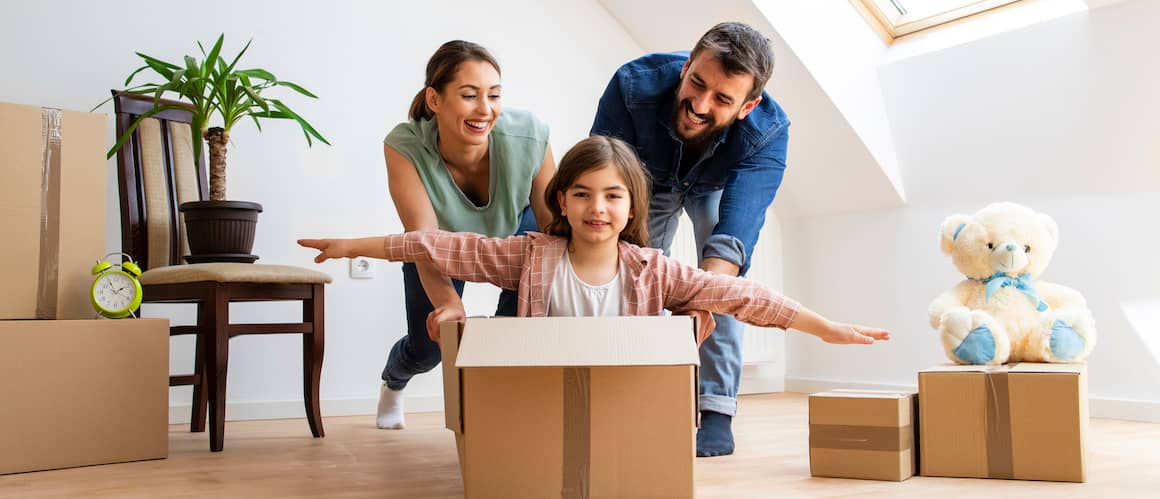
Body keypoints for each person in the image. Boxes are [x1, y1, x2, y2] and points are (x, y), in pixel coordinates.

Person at [299, 135, 888, 392]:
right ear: (560, 201)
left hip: (619, 396)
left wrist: (825, 327)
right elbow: (437, 246)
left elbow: (744, 297)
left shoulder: (653, 269)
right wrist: (353, 246)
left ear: (632, 204)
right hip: (538, 391)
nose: (596, 208)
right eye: (581, 193)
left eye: (611, 195)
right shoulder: (530, 256)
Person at [590, 21, 788, 456]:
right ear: (686, 67)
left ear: (748, 105)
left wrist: (701, 301)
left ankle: (717, 410)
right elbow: (602, 177)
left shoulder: (768, 134)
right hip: (643, 180)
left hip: (718, 186)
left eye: (721, 99)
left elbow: (734, 235)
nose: (698, 104)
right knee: (632, 275)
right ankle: (628, 393)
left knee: (721, 288)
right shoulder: (631, 86)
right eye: (697, 82)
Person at [375, 40, 556, 430]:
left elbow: (555, 232)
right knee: (428, 348)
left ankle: (500, 423)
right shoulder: (404, 146)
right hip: (436, 243)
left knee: (515, 332)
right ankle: (394, 380)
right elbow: (423, 239)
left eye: (494, 95)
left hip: (516, 232)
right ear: (435, 100)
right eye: (469, 96)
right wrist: (447, 304)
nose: (485, 110)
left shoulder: (530, 135)